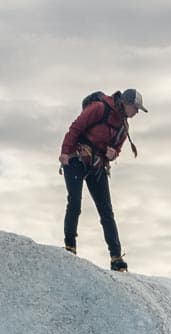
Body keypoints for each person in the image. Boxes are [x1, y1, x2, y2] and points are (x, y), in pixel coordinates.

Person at [59, 88, 146, 272]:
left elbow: (117, 149)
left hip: (97, 165)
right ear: (126, 104)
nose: (137, 112)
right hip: (76, 157)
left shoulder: (124, 127)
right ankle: (69, 247)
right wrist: (65, 152)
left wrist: (113, 154)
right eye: (136, 108)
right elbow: (76, 127)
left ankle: (116, 258)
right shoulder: (99, 108)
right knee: (74, 201)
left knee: (106, 211)